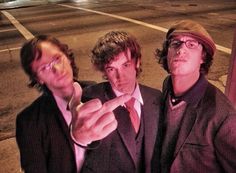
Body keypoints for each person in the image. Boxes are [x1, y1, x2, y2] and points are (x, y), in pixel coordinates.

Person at [16, 35, 128, 173]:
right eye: (45, 67)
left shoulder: (99, 94)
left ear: (67, 57)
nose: (57, 68)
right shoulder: (29, 121)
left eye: (57, 58)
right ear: (38, 78)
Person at [70, 31, 162, 173]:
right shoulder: (89, 99)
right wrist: (77, 139)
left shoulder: (156, 98)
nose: (120, 77)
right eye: (112, 69)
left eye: (126, 65)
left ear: (137, 62)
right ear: (104, 71)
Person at [151, 20, 236, 173]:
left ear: (203, 57)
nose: (181, 49)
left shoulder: (222, 116)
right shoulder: (167, 88)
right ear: (167, 52)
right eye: (175, 43)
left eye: (191, 45)